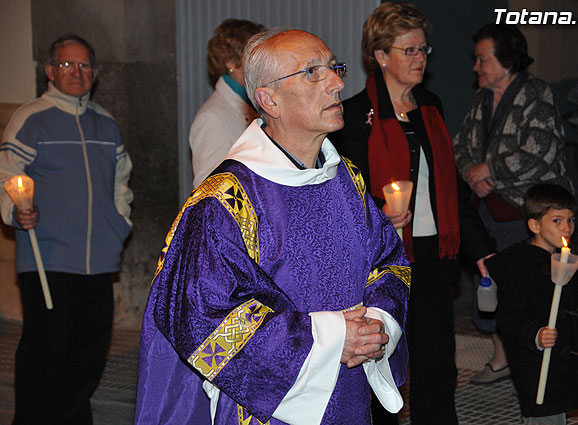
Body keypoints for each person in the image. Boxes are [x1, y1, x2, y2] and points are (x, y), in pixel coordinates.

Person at [134, 28, 410, 425]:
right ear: (269, 100)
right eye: (313, 72)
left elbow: (389, 262)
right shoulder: (227, 201)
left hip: (347, 397)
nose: (337, 83)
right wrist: (332, 338)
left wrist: (377, 323)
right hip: (268, 408)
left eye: (333, 67)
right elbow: (203, 317)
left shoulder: (347, 180)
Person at [330, 3, 494, 424]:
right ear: (382, 55)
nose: (420, 58)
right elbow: (345, 195)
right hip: (383, 260)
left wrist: (479, 250)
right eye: (410, 50)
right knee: (379, 363)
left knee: (437, 363)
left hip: (434, 255)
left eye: (424, 49)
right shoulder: (354, 117)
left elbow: (451, 185)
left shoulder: (430, 105)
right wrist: (379, 213)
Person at [0, 34, 133, 424]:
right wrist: (14, 210)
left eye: (85, 65)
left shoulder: (105, 123)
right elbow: (8, 175)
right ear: (50, 71)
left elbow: (121, 181)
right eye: (67, 65)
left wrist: (119, 223)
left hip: (98, 261)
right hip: (48, 258)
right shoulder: (31, 118)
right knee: (45, 352)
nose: (77, 72)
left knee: (89, 353)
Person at [453, 23, 573, 385]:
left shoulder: (536, 93)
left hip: (526, 213)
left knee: (528, 287)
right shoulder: (480, 100)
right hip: (487, 211)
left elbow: (541, 149)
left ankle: (536, 362)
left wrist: (490, 171)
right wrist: (473, 175)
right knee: (489, 281)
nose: (476, 66)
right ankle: (502, 355)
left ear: (506, 60)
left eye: (482, 58)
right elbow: (460, 147)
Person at [488, 183, 578, 424]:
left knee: (558, 413)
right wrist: (536, 334)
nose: (567, 227)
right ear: (535, 225)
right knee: (544, 415)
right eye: (557, 221)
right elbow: (509, 316)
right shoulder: (519, 267)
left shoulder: (564, 259)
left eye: (571, 220)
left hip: (563, 362)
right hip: (536, 364)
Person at [189, 18, 264, 187]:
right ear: (231, 62)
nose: (263, 64)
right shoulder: (212, 117)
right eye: (254, 56)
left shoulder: (255, 104)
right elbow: (208, 192)